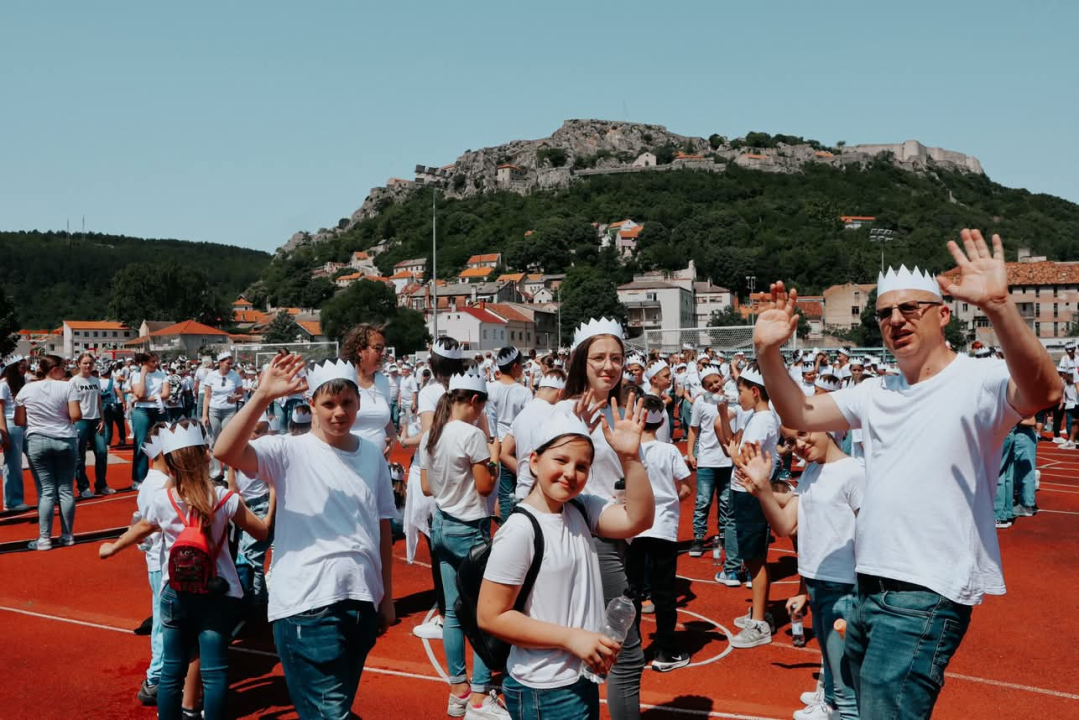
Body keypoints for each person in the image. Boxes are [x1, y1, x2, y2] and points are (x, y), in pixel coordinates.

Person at [751, 230, 1063, 718]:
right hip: (868, 584)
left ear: (943, 315)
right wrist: (768, 353)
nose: (895, 320)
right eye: (884, 313)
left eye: (911, 309)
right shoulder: (877, 390)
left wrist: (1000, 306)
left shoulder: (977, 378)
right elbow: (801, 413)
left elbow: (1044, 391)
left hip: (926, 590)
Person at [212, 356, 396, 720]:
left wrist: (386, 598)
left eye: (347, 403)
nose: (339, 413)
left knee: (333, 708)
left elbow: (383, 527)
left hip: (360, 600)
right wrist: (262, 395)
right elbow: (225, 451)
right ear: (310, 405)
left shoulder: (372, 455)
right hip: (307, 605)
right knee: (331, 714)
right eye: (328, 404)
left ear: (359, 403)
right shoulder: (288, 450)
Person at [478, 400, 654, 720]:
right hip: (543, 688)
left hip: (576, 680)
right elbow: (491, 617)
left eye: (582, 466)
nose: (570, 473)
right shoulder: (520, 530)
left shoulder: (580, 509)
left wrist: (630, 458)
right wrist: (571, 638)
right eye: (560, 460)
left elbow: (637, 519)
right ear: (534, 461)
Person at [99, 420, 270, 720]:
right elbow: (261, 532)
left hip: (175, 590)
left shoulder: (163, 499)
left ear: (171, 461)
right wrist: (275, 494)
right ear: (207, 456)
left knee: (172, 670)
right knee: (215, 672)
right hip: (218, 593)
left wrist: (113, 547)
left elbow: (143, 526)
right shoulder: (225, 499)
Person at [549, 317, 653, 720]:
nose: (609, 365)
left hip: (616, 528)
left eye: (616, 357)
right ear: (580, 360)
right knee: (621, 651)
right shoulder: (560, 411)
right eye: (598, 358)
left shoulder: (623, 409)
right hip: (589, 536)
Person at [739, 430, 864, 720]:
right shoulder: (811, 472)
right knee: (832, 666)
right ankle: (828, 704)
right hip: (819, 583)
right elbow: (785, 526)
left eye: (805, 434)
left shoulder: (854, 473)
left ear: (828, 428)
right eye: (793, 441)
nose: (800, 445)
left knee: (848, 690)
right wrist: (762, 492)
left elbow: (871, 534)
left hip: (844, 588)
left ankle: (837, 708)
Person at [417, 372, 508, 719]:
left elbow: (426, 487)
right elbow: (486, 487)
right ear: (474, 402)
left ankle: (459, 689)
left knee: (454, 611)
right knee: (485, 611)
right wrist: (494, 456)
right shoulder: (471, 434)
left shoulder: (432, 433)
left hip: (441, 524)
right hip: (469, 528)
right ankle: (481, 696)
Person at [626, 395, 692, 672]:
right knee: (664, 592)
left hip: (632, 527)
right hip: (663, 527)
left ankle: (632, 651)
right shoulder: (670, 451)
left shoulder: (628, 451)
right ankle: (665, 651)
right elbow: (687, 487)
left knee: (632, 591)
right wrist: (670, 498)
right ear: (663, 420)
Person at [714, 365, 779, 648]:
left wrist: (732, 454)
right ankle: (758, 611)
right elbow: (735, 443)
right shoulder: (756, 417)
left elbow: (742, 458)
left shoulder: (763, 420)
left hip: (751, 493)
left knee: (754, 559)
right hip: (745, 491)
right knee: (751, 557)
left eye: (741, 391)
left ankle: (760, 623)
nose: (738, 397)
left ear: (754, 391)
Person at [14, 355, 82, 550]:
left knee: (46, 491)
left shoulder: (27, 388)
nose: (65, 369)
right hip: (65, 439)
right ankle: (67, 535)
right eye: (62, 366)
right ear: (53, 368)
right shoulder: (67, 386)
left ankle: (44, 539)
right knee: (66, 489)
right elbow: (76, 415)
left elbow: (19, 421)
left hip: (37, 440)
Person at [133, 423, 170, 707]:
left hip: (159, 559)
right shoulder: (158, 484)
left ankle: (161, 674)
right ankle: (156, 677)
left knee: (164, 619)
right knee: (162, 621)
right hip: (161, 561)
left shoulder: (153, 481)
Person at [685, 368, 734, 570]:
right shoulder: (700, 402)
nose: (715, 386)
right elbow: (693, 429)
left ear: (721, 379)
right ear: (704, 386)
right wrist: (690, 452)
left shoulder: (731, 399)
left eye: (717, 381)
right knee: (703, 501)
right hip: (707, 459)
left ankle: (722, 535)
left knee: (725, 501)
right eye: (709, 384)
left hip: (727, 460)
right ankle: (698, 537)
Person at [227, 413, 276, 608]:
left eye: (261, 432)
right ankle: (255, 603)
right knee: (246, 557)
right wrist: (236, 500)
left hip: (262, 505)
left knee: (252, 559)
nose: (256, 437)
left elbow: (273, 488)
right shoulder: (237, 452)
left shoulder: (264, 454)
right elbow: (232, 485)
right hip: (244, 506)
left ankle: (258, 605)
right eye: (253, 432)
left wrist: (269, 517)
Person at [485, 347, 533, 523]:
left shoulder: (489, 388)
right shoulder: (524, 392)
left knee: (504, 493)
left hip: (496, 445)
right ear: (515, 366)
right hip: (515, 446)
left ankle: (505, 525)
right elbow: (528, 421)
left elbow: (487, 418)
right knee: (521, 491)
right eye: (521, 365)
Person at [342, 323, 397, 456]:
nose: (382, 354)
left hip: (381, 464)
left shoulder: (383, 381)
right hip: (349, 463)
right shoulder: (343, 380)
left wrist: (392, 436)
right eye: (377, 349)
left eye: (383, 349)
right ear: (359, 350)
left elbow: (385, 420)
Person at [71, 353, 115, 498]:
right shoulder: (73, 382)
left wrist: (102, 419)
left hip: (96, 420)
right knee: (80, 456)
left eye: (90, 363)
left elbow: (99, 403)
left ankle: (101, 485)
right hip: (81, 421)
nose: (88, 366)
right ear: (78, 364)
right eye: (85, 363)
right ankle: (83, 487)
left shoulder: (96, 381)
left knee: (102, 453)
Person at [130, 353, 170, 489]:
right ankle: (139, 479)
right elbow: (139, 394)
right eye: (152, 361)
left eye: (156, 360)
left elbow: (166, 394)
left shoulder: (162, 374)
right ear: (145, 363)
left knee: (162, 443)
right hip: (142, 411)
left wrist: (146, 398)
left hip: (158, 410)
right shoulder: (136, 375)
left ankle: (161, 475)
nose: (156, 363)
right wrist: (142, 375)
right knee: (141, 444)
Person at [201, 351, 242, 480]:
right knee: (213, 441)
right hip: (214, 410)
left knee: (228, 440)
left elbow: (241, 394)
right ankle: (216, 470)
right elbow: (206, 397)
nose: (230, 366)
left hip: (229, 411)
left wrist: (234, 398)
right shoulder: (211, 376)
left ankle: (228, 469)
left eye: (231, 363)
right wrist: (204, 415)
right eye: (228, 363)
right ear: (220, 363)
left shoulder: (235, 376)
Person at [1, 355, 32, 512]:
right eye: (21, 366)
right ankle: (12, 501)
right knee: (13, 464)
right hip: (11, 424)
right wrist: (4, 431)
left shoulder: (23, 382)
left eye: (25, 365)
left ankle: (47, 494)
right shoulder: (4, 385)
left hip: (24, 423)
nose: (24, 368)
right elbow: (0, 410)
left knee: (36, 458)